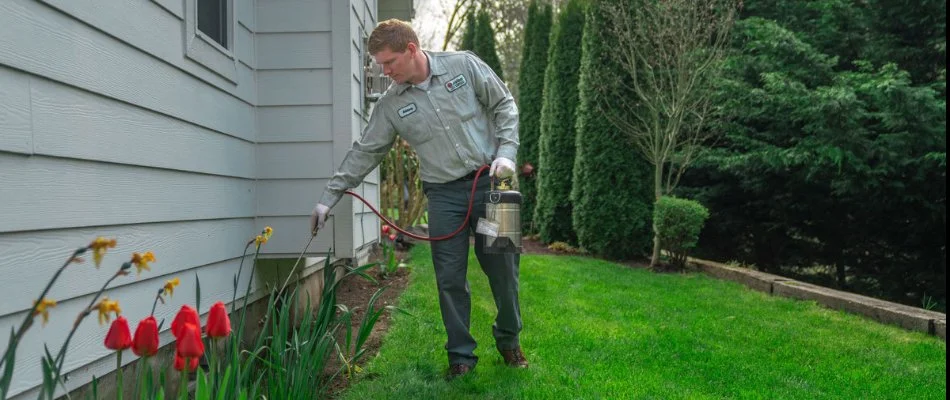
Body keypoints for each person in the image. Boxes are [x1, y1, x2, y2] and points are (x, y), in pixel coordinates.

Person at [309, 19, 527, 380]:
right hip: (443, 195)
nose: (385, 71)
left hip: (494, 184)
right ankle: (461, 356)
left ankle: (509, 339)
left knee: (504, 272)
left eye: (389, 62)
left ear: (411, 50)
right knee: (449, 278)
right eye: (380, 65)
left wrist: (507, 152)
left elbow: (504, 104)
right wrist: (327, 198)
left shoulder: (464, 65)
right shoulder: (391, 104)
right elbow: (366, 151)